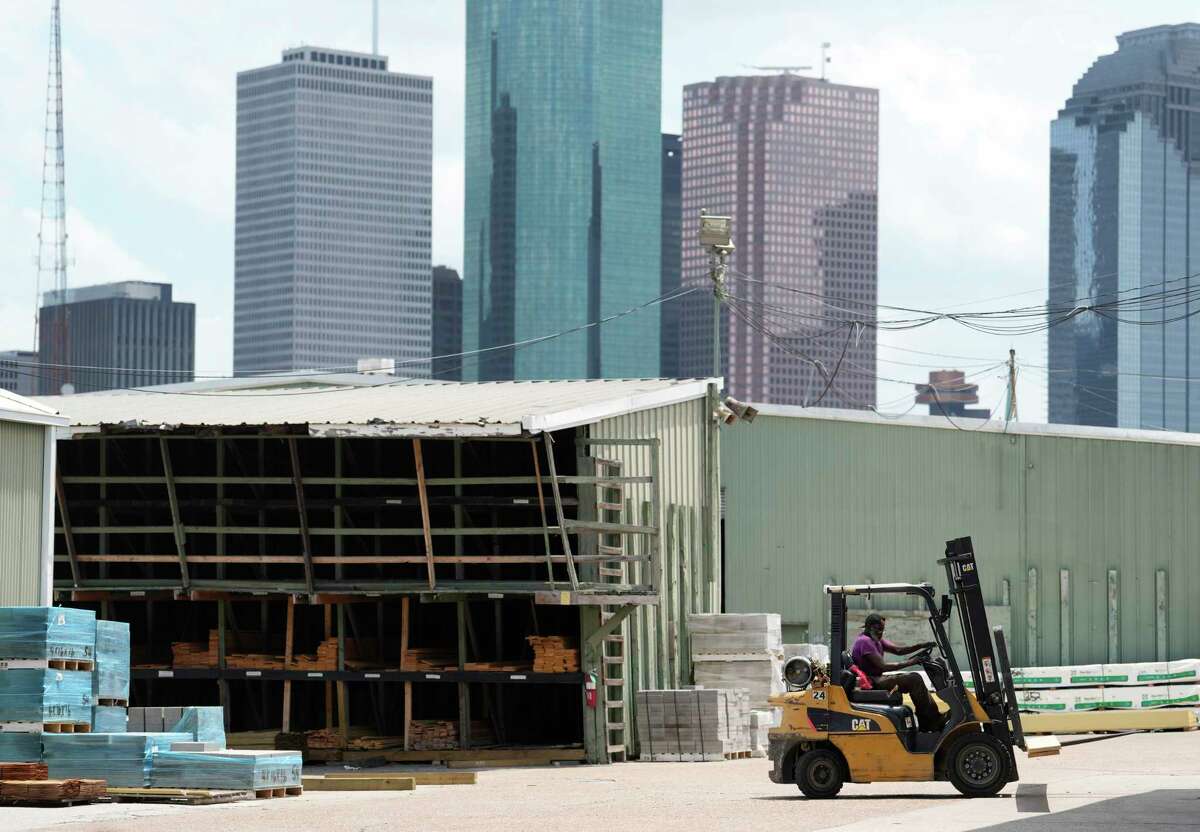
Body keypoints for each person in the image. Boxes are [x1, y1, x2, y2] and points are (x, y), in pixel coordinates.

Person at [850, 613, 944, 732]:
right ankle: (928, 722)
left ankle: (932, 717)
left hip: (876, 679)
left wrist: (920, 646)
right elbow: (883, 666)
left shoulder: (875, 640)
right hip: (872, 681)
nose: (881, 633)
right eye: (879, 629)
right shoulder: (865, 641)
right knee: (914, 679)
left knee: (915, 678)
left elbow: (898, 650)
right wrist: (911, 662)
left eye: (882, 630)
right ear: (870, 627)